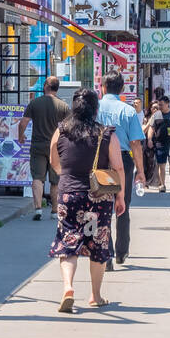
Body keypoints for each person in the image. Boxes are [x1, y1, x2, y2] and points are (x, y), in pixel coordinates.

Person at [49, 88, 124, 312]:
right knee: (97, 243)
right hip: (97, 199)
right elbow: (118, 167)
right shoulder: (105, 133)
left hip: (68, 195)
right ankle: (96, 295)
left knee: (68, 242)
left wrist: (67, 176)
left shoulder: (61, 130)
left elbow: (53, 158)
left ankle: (68, 288)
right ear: (96, 109)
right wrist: (120, 196)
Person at [97, 70, 146, 268]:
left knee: (102, 208)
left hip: (99, 161)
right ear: (123, 89)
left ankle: (106, 253)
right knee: (122, 206)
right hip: (124, 162)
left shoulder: (94, 108)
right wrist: (140, 171)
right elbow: (135, 143)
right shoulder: (128, 111)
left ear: (102, 87)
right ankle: (122, 252)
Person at [17, 76, 70, 221]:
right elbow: (69, 128)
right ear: (57, 88)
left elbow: (23, 123)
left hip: (37, 146)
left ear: (46, 86)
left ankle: (38, 209)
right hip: (56, 148)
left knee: (37, 178)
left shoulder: (35, 103)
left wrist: (20, 137)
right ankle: (54, 211)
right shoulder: (63, 106)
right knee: (55, 181)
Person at [148, 96, 170, 192]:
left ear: (167, 104)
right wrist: (149, 139)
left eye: (161, 105)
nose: (160, 106)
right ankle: (162, 185)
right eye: (159, 104)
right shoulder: (156, 115)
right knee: (161, 165)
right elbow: (151, 128)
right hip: (160, 143)